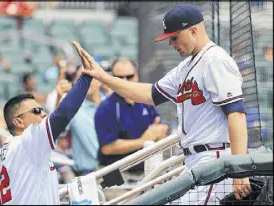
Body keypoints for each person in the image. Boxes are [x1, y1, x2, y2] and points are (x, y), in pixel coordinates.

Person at [74, 4, 252, 204]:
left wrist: (239, 169)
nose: (171, 43)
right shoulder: (185, 67)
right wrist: (104, 78)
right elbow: (150, 94)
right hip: (194, 160)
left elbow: (236, 114)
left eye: (175, 37)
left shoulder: (215, 60)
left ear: (194, 30)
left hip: (215, 157)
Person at [0, 42, 93, 204]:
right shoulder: (27, 141)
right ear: (18, 121)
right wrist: (87, 77)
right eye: (36, 111)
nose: (43, 113)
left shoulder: (10, 150)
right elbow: (63, 114)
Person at [94, 57, 168, 175]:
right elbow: (107, 148)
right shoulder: (106, 108)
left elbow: (159, 130)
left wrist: (158, 134)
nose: (125, 81)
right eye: (119, 77)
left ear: (136, 76)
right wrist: (143, 141)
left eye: (129, 76)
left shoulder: (145, 101)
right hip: (117, 177)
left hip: (146, 172)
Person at [67, 69, 106, 176]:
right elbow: (56, 130)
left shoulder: (111, 104)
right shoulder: (71, 106)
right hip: (86, 174)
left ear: (100, 80)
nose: (86, 82)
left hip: (114, 169)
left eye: (90, 77)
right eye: (81, 78)